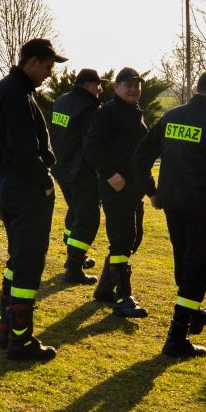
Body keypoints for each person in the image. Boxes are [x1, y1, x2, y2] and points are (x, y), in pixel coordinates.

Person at [133, 70, 206, 358]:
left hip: (171, 202)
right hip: (199, 205)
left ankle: (194, 314)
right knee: (196, 265)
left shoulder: (171, 116)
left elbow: (140, 156)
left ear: (197, 88)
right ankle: (176, 337)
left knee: (184, 260)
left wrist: (152, 191)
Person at [0, 38, 67, 361]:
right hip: (26, 188)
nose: (48, 74)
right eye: (47, 66)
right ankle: (21, 340)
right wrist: (45, 181)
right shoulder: (18, 95)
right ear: (31, 61)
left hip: (8, 184)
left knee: (17, 259)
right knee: (29, 261)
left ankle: (7, 332)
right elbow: (23, 149)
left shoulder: (1, 90)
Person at [84, 67, 150, 318]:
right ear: (116, 87)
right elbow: (91, 148)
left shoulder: (135, 114)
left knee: (133, 238)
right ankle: (122, 298)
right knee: (122, 239)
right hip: (116, 188)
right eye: (128, 85)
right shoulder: (107, 113)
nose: (133, 89)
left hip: (133, 189)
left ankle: (104, 289)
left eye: (136, 85)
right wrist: (111, 175)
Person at [49, 68, 104, 285]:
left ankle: (73, 254)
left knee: (75, 210)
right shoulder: (90, 107)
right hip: (81, 171)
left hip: (61, 167)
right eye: (98, 85)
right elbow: (91, 143)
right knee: (88, 217)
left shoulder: (61, 101)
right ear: (88, 84)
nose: (100, 90)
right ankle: (73, 269)